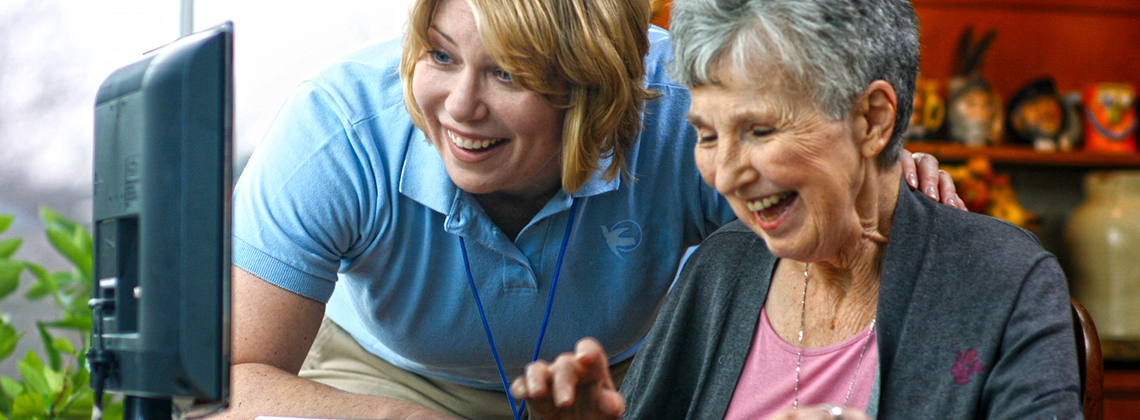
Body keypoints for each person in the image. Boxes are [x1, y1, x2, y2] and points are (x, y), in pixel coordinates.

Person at [223, 0, 963, 418]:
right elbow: (229, 379)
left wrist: (868, 177)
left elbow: (831, 202)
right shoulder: (337, 130)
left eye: (508, 74)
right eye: (441, 56)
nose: (459, 106)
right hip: (388, 379)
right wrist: (399, 419)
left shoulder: (686, 111)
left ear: (594, 91)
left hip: (607, 388)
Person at [509, 0, 1082, 419]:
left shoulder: (1004, 282)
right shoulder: (720, 268)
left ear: (873, 121)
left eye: (760, 129)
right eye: (707, 136)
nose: (727, 174)